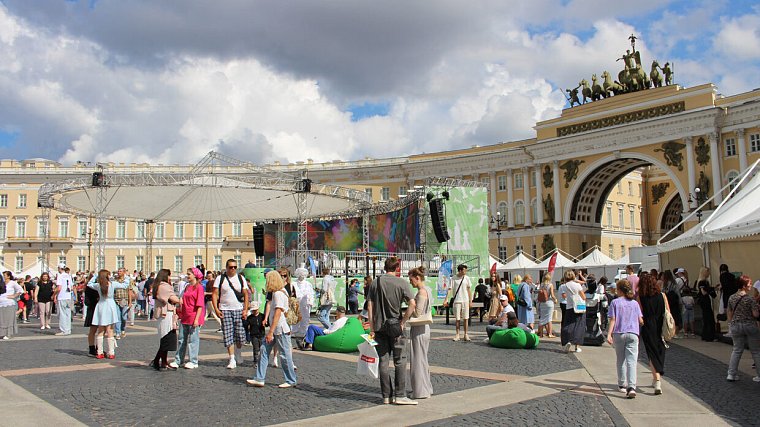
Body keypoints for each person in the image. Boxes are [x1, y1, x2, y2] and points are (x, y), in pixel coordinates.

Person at [367, 256, 417, 405]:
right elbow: (412, 304)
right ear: (397, 269)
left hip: (379, 327)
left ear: (384, 267)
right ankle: (400, 394)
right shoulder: (402, 283)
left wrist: (372, 327)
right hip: (396, 328)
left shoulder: (376, 282)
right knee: (400, 361)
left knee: (383, 361)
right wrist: (403, 322)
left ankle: (386, 396)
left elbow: (370, 306)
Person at [247, 270, 297, 388]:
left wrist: (270, 331)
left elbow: (278, 314)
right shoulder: (279, 292)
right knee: (264, 351)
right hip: (277, 329)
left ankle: (291, 380)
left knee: (285, 355)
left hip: (279, 330)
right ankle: (259, 378)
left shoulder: (278, 294)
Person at [606, 279, 643, 399]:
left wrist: (609, 334)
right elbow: (641, 320)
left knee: (620, 360)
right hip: (633, 333)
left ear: (619, 290)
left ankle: (622, 384)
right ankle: (632, 387)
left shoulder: (615, 302)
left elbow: (613, 319)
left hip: (619, 333)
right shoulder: (635, 303)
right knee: (632, 361)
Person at [212, 259, 250, 369]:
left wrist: (245, 309)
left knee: (240, 334)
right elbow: (215, 294)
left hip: (238, 308)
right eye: (230, 267)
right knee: (228, 334)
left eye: (234, 267)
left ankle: (238, 352)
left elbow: (246, 294)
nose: (233, 269)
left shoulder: (240, 278)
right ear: (226, 267)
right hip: (225, 309)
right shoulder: (220, 278)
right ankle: (232, 358)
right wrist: (216, 309)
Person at [637, 273, 669, 395]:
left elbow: (639, 314)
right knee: (660, 351)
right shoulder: (662, 295)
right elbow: (667, 312)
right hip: (661, 325)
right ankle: (657, 375)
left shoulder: (641, 297)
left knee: (652, 353)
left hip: (648, 326)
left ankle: (657, 380)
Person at [87, 269, 130, 359]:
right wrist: (126, 276)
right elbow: (125, 285)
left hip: (101, 306)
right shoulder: (112, 284)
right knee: (110, 330)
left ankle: (99, 352)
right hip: (110, 305)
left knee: (101, 330)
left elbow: (89, 284)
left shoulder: (98, 285)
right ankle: (111, 352)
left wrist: (94, 276)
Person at [726, 275, 760, 382]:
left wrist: (731, 323)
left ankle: (731, 374)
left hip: (736, 326)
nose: (751, 285)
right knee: (755, 351)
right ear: (744, 285)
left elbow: (729, 314)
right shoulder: (750, 299)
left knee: (736, 350)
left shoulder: (731, 297)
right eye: (749, 283)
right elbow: (755, 314)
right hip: (750, 325)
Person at [172, 267, 205, 369]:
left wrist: (196, 319)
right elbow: (182, 300)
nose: (187, 276)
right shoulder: (187, 287)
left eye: (189, 274)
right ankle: (179, 360)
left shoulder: (199, 288)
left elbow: (200, 305)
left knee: (193, 340)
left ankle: (193, 361)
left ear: (195, 275)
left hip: (194, 317)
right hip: (185, 317)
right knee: (181, 339)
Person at [408, 266, 433, 400]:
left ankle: (420, 391)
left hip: (419, 328)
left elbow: (417, 312)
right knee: (422, 359)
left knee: (418, 360)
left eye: (411, 280)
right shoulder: (428, 290)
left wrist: (410, 304)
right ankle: (425, 388)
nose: (410, 283)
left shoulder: (421, 292)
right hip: (424, 328)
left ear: (417, 278)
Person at [149, 269, 180, 370]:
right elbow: (174, 299)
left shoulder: (157, 285)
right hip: (166, 314)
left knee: (165, 338)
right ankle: (160, 362)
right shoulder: (164, 286)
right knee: (166, 339)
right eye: (169, 276)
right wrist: (181, 300)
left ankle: (161, 361)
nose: (170, 278)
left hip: (163, 314)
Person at [443, 264, 472, 341]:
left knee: (466, 318)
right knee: (457, 319)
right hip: (457, 300)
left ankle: (466, 334)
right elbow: (450, 289)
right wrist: (446, 299)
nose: (465, 272)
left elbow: (469, 290)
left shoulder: (467, 278)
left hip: (465, 300)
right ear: (460, 270)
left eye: (466, 270)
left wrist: (470, 301)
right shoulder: (454, 278)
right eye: (464, 270)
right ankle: (457, 334)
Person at [561, 270, 587, 353]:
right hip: (579, 306)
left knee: (568, 325)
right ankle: (577, 346)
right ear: (573, 276)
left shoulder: (564, 286)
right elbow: (583, 297)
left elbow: (564, 296)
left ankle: (567, 341)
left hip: (569, 307)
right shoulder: (577, 285)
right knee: (579, 326)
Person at [291, 267, 314, 338]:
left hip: (305, 304)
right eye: (300, 274)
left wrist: (311, 302)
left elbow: (311, 294)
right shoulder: (294, 283)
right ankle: (294, 331)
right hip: (296, 303)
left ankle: (304, 331)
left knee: (305, 317)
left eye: (303, 274)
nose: (302, 276)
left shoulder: (308, 284)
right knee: (295, 317)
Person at [0, 272, 23, 340]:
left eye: (5, 275)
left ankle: (8, 333)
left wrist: (14, 296)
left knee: (8, 319)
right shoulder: (2, 283)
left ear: (9, 276)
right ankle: (2, 333)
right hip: (1, 303)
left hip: (9, 303)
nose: (3, 276)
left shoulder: (12, 283)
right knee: (2, 319)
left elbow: (20, 290)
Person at [696, 267, 717, 341]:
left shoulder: (705, 282)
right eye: (708, 272)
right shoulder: (702, 282)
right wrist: (712, 289)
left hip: (706, 301)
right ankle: (709, 336)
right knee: (708, 318)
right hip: (704, 301)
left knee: (707, 318)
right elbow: (704, 292)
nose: (709, 273)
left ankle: (706, 335)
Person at [54, 264, 74, 336]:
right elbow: (72, 287)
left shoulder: (60, 276)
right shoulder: (68, 275)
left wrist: (54, 294)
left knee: (62, 314)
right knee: (68, 314)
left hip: (62, 296)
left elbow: (59, 288)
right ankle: (68, 329)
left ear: (59, 268)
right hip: (68, 296)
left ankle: (63, 330)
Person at [244, 300, 265, 369]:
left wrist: (265, 323)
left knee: (263, 349)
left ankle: (262, 361)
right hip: (254, 335)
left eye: (256, 310)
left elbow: (267, 324)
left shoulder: (262, 316)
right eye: (253, 310)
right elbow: (246, 325)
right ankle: (255, 362)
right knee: (256, 349)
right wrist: (244, 319)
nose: (255, 311)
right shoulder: (250, 317)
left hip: (261, 334)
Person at [82, 272, 99, 356]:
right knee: (93, 330)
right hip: (93, 310)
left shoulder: (98, 286)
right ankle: (92, 348)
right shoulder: (90, 288)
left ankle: (97, 348)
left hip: (96, 309)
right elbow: (87, 302)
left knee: (98, 330)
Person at [661, 270, 682, 338]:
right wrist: (680, 301)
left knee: (669, 316)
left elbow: (663, 292)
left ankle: (669, 331)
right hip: (674, 302)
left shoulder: (665, 283)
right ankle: (675, 332)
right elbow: (677, 292)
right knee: (676, 317)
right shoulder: (673, 283)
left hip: (667, 301)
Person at [113, 268, 132, 339]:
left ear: (124, 272)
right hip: (116, 300)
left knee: (123, 317)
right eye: (118, 271)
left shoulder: (127, 281)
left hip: (125, 300)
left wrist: (130, 302)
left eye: (120, 271)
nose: (118, 272)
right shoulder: (115, 280)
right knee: (117, 317)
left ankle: (123, 329)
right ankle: (118, 333)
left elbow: (130, 291)